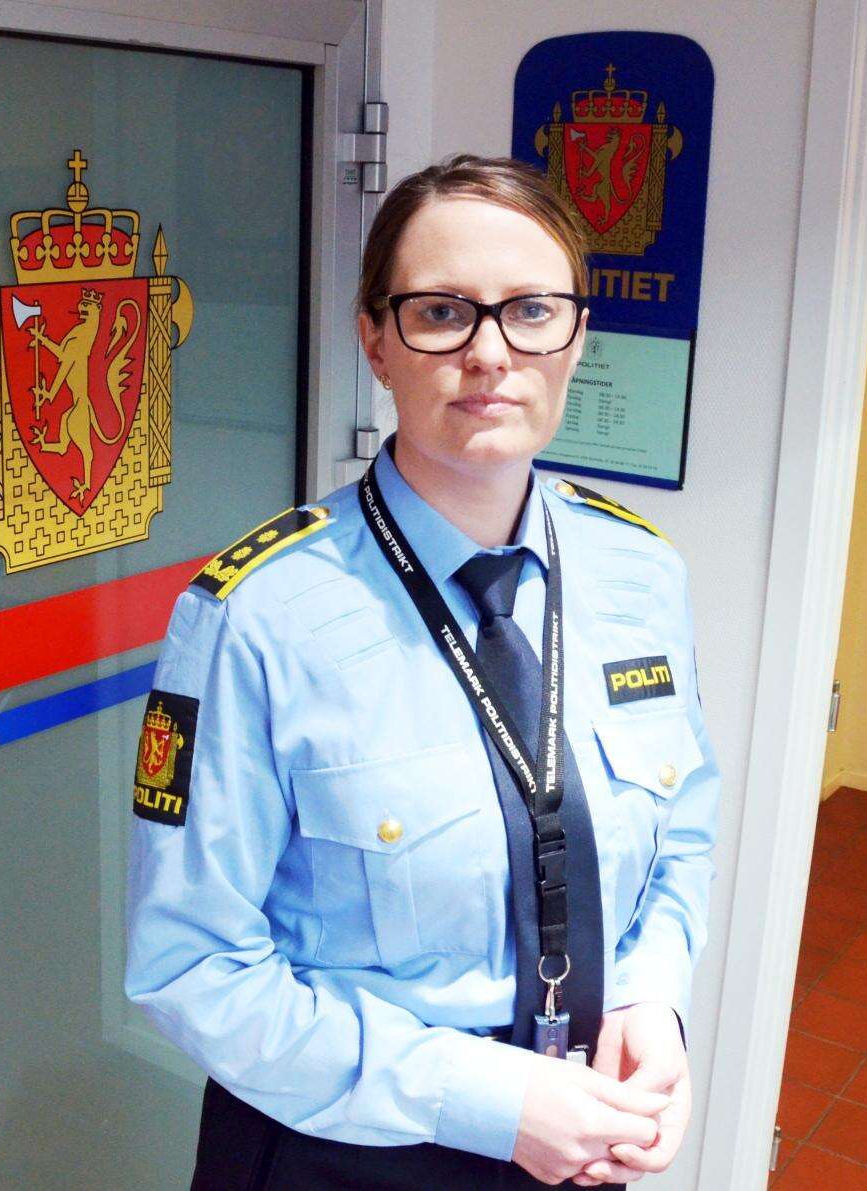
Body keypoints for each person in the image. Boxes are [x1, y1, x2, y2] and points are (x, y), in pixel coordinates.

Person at [125, 154, 720, 1189]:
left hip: (582, 1124)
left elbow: (685, 828)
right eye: (441, 312)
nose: (490, 353)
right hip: (344, 1146)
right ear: (374, 340)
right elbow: (191, 965)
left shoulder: (640, 573)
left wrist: (649, 996)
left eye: (530, 311)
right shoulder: (257, 615)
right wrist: (488, 1101)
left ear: (576, 335)